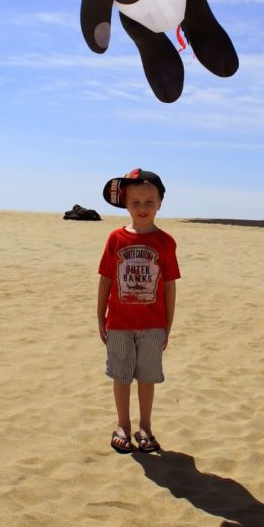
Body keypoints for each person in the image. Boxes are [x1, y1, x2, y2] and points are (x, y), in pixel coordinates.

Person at [97, 168, 180, 455]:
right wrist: (100, 317)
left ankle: (145, 427)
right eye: (135, 202)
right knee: (121, 376)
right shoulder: (115, 239)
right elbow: (106, 280)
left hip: (153, 324)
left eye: (149, 202)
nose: (142, 208)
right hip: (119, 323)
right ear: (125, 204)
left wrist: (168, 325)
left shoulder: (166, 242)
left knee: (147, 377)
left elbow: (169, 287)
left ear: (160, 203)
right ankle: (123, 425)